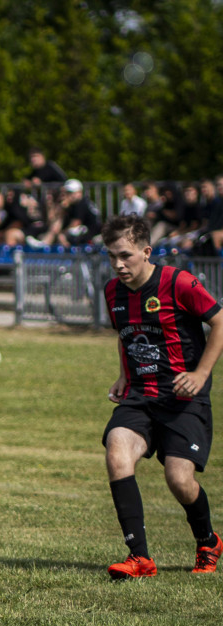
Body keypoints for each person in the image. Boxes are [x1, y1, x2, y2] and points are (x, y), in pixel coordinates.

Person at [101, 214, 223, 579]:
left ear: (146, 251)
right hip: (140, 396)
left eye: (125, 255)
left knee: (178, 479)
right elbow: (126, 335)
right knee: (117, 452)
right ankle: (139, 558)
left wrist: (200, 374)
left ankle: (207, 541)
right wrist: (124, 375)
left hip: (184, 399)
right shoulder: (113, 292)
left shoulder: (177, 283)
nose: (119, 264)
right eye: (111, 257)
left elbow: (219, 322)